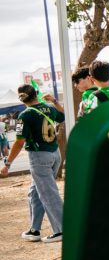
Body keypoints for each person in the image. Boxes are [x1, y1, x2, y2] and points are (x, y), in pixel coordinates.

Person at [1, 85, 64, 242]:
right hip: (54, 153)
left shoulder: (25, 115)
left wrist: (8, 164)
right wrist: (55, 101)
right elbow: (62, 116)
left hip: (39, 156)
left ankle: (62, 229)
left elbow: (19, 141)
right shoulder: (49, 108)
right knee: (35, 191)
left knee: (48, 193)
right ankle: (34, 230)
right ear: (36, 94)